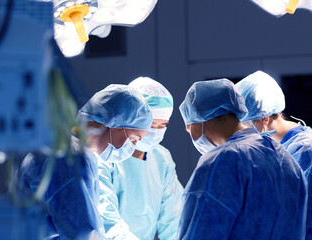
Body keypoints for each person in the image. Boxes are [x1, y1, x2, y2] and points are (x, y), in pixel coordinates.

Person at [178, 79, 307, 240]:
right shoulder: (285, 158)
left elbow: (200, 232)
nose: (191, 134)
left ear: (199, 120)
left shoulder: (220, 161)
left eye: (188, 128)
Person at [19, 84, 153, 240]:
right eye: (133, 139)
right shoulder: (70, 157)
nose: (133, 147)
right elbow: (82, 233)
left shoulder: (64, 147)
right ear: (114, 123)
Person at [98, 77, 184, 240]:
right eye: (151, 125)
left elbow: (175, 220)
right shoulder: (105, 154)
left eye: (162, 125)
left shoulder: (161, 158)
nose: (155, 133)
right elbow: (105, 218)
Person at [235, 70, 312, 239]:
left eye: (243, 126)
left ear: (263, 119)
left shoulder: (306, 152)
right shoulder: (279, 150)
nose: (240, 134)